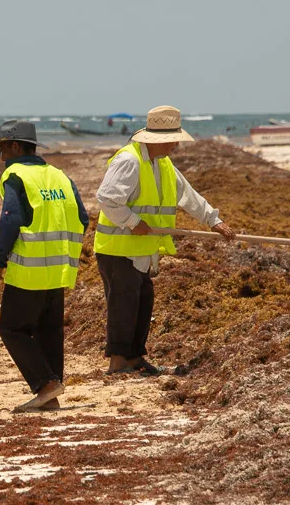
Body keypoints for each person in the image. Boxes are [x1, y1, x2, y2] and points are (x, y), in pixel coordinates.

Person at [94, 105, 235, 376]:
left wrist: (213, 220)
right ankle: (117, 363)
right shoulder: (129, 161)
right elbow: (107, 199)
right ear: (161, 140)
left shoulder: (164, 164)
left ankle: (135, 358)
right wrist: (133, 222)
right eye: (174, 140)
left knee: (143, 300)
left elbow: (187, 195)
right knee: (123, 304)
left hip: (142, 249)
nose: (176, 146)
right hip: (117, 249)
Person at [0, 120, 89, 412]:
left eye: (3, 149)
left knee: (12, 329)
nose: (1, 157)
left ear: (16, 147)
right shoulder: (59, 176)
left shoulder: (15, 175)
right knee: (49, 329)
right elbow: (82, 217)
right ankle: (51, 393)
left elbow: (10, 221)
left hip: (29, 269)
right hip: (59, 268)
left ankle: (45, 383)